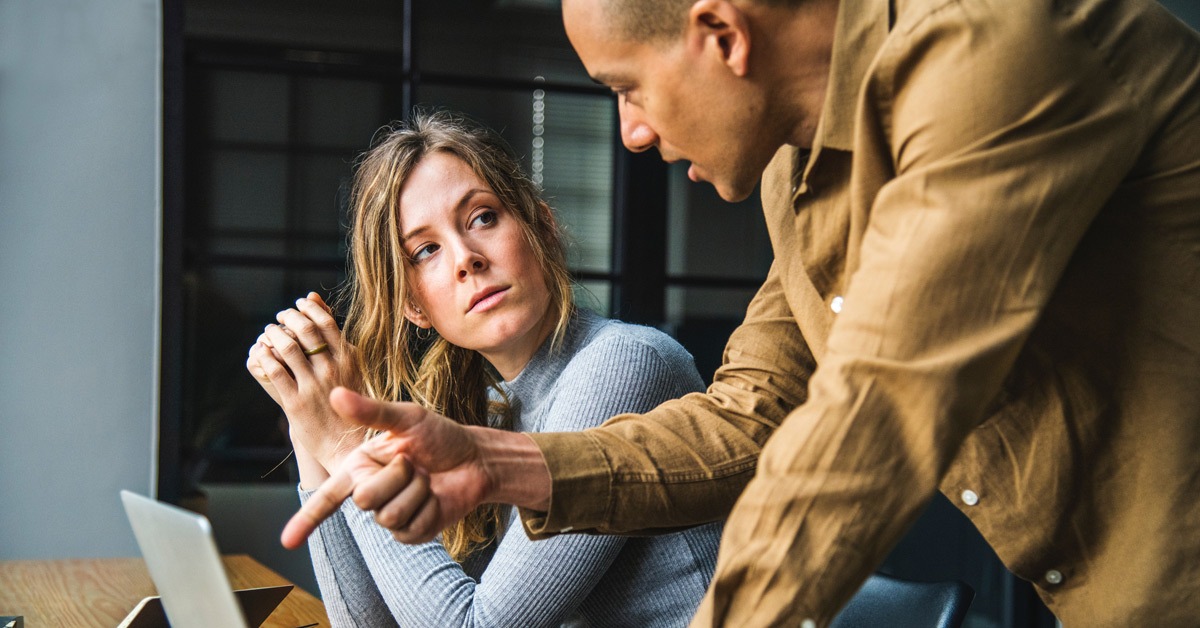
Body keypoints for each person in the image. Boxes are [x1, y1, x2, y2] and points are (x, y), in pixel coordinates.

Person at [284, 0, 1200, 625]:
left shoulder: (991, 57)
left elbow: (871, 421)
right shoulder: (797, 177)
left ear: (720, 32)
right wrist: (493, 460)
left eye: (626, 88)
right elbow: (750, 415)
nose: (632, 132)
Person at [250, 111, 723, 627]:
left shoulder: (623, 363)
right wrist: (307, 417)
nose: (465, 258)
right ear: (415, 307)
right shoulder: (490, 411)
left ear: (542, 228)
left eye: (482, 217)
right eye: (426, 250)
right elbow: (369, 624)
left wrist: (344, 445)